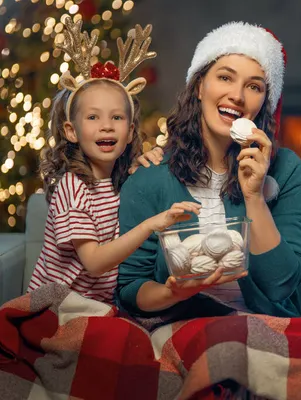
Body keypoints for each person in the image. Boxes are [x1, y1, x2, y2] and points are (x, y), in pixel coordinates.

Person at [116, 22, 301, 318]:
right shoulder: (150, 177)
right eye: (225, 77)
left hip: (264, 323)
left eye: (254, 86)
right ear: (198, 86)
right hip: (181, 324)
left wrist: (254, 196)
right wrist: (173, 292)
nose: (237, 96)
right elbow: (130, 289)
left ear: (265, 103)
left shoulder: (285, 170)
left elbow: (281, 286)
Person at [27, 17, 200, 303]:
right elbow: (94, 263)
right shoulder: (73, 187)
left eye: (117, 117)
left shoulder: (122, 180)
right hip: (57, 305)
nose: (106, 126)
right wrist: (150, 225)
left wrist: (140, 168)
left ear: (130, 131)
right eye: (93, 117)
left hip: (101, 305)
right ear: (71, 131)